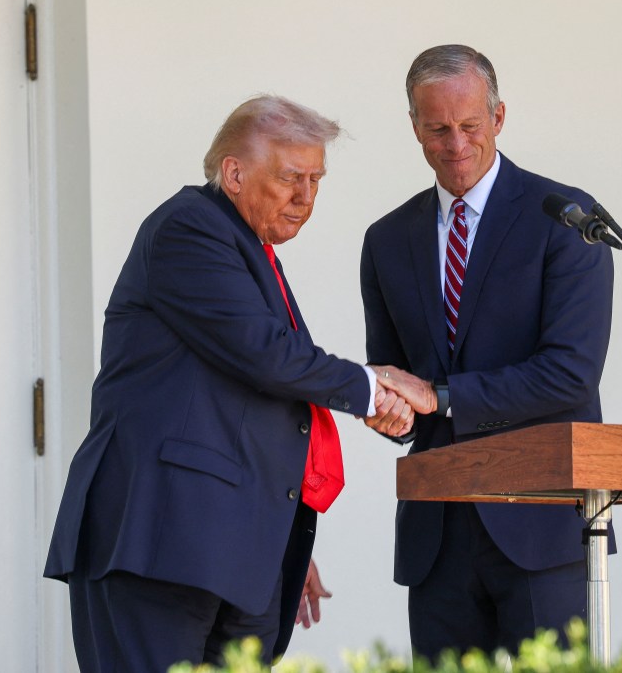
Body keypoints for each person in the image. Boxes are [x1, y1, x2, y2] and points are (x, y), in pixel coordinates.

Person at [44, 94, 425, 672]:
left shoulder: (250, 247)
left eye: (316, 180)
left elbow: (251, 404)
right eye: (291, 178)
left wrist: (273, 541)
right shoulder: (188, 228)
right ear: (234, 172)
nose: (306, 197)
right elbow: (266, 355)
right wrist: (372, 386)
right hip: (158, 545)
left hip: (227, 556)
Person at [359, 45, 615, 660]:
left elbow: (571, 372)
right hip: (437, 534)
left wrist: (442, 399)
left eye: (470, 126)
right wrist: (389, 410)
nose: (455, 144)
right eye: (437, 128)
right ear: (414, 127)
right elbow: (397, 378)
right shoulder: (386, 240)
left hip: (544, 522)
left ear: (499, 117)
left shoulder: (567, 218)